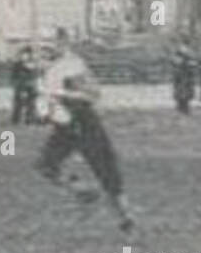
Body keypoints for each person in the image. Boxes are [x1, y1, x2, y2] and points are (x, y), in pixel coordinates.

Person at [35, 41, 135, 232]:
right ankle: (83, 191)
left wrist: (61, 94)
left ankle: (125, 217)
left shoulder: (72, 66)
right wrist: (45, 111)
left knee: (106, 171)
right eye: (42, 50)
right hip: (65, 125)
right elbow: (46, 103)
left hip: (84, 122)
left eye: (49, 48)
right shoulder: (48, 71)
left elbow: (92, 94)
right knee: (46, 165)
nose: (44, 54)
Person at [11, 46, 40, 125]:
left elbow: (35, 75)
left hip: (30, 86)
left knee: (31, 104)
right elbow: (14, 76)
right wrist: (17, 85)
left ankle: (30, 120)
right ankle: (16, 120)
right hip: (21, 86)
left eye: (28, 54)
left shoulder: (33, 64)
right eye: (24, 54)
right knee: (18, 104)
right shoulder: (18, 64)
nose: (26, 56)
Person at [170, 44, 196, 115]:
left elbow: (193, 65)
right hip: (179, 78)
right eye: (182, 47)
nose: (184, 49)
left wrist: (190, 65)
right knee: (179, 93)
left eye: (185, 47)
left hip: (187, 78)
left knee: (187, 94)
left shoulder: (189, 57)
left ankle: (185, 108)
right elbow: (175, 63)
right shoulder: (177, 56)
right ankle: (180, 107)